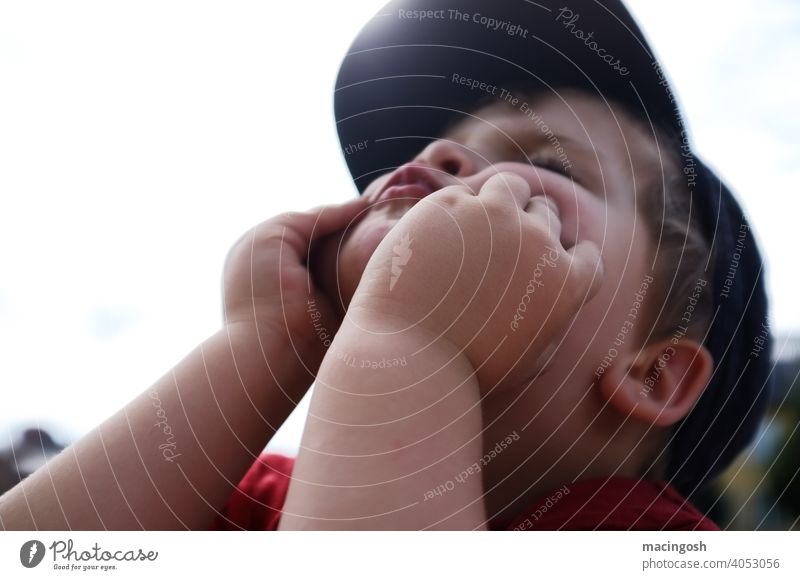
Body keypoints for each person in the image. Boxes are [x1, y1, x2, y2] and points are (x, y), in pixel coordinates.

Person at [0, 0, 771, 531]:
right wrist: (264, 343)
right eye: (439, 148)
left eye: (549, 164)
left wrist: (416, 347)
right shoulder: (258, 496)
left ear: (651, 371)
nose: (440, 154)